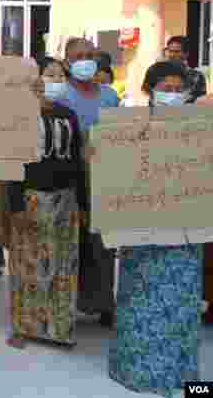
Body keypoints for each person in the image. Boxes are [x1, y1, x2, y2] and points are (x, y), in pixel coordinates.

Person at [107, 60, 204, 396]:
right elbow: (110, 171)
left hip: (186, 234)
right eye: (166, 88)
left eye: (180, 90)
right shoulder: (128, 128)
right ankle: (137, 370)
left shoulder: (200, 128)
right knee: (141, 300)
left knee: (181, 303)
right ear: (150, 90)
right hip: (142, 233)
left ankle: (180, 374)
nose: (173, 95)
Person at [6, 57, 84, 350]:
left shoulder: (69, 115)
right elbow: (12, 162)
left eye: (60, 75)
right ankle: (24, 327)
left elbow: (76, 160)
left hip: (65, 199)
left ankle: (59, 327)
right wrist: (15, 206)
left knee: (63, 265)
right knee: (29, 265)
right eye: (48, 74)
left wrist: (82, 202)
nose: (55, 80)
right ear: (36, 79)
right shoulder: (21, 114)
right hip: (32, 197)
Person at [55, 37, 115, 328]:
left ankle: (104, 303)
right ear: (67, 62)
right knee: (71, 243)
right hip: (67, 179)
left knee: (103, 243)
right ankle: (68, 306)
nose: (85, 60)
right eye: (78, 56)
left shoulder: (110, 96)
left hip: (105, 178)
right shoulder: (60, 95)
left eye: (90, 55)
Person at [164, 35, 208, 103]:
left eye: (176, 52)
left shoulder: (197, 77)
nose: (172, 55)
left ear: (186, 54)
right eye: (170, 51)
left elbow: (201, 103)